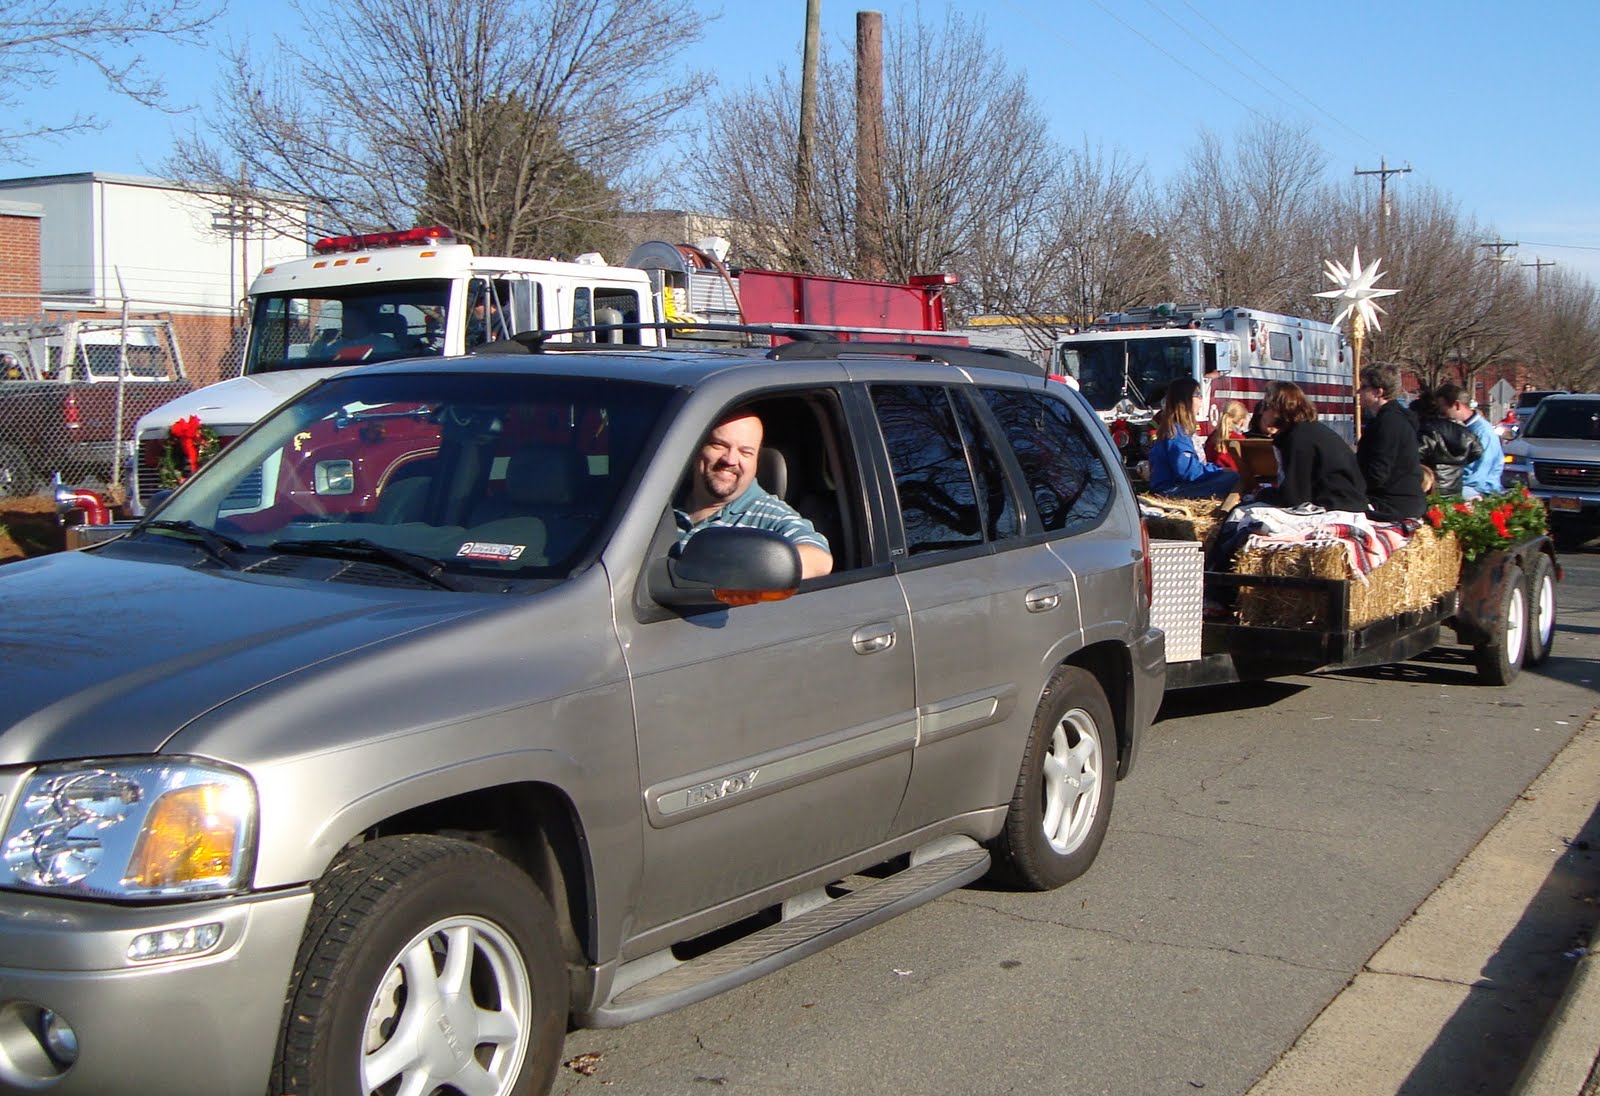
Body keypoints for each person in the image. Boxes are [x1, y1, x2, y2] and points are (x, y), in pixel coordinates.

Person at [675, 408, 833, 579]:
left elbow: (820, 559)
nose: (730, 460)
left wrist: (744, 564)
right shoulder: (660, 498)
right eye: (719, 445)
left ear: (756, 461)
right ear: (697, 447)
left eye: (745, 452)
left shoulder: (769, 516)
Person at [1258, 381, 1368, 512]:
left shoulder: (1299, 438)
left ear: (1279, 408)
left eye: (1265, 406)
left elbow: (1295, 497)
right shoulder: (1307, 431)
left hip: (1336, 506)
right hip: (1343, 501)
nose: (1261, 412)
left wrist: (1263, 494)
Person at [1147, 377, 1239, 499]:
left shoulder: (1177, 429)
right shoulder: (1176, 433)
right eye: (1198, 394)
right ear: (1186, 399)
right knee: (1234, 479)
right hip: (1171, 491)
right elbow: (1188, 472)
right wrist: (1219, 471)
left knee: (1231, 476)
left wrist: (1217, 470)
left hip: (1173, 487)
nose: (1202, 399)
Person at [1356, 364, 1426, 520]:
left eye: (1363, 387)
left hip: (1393, 503)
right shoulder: (1391, 419)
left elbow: (1378, 472)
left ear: (1378, 392)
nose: (1358, 392)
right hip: (1401, 499)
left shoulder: (1389, 423)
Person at [1435, 383, 1504, 498]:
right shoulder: (1469, 429)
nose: (1442, 415)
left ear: (1457, 405)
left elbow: (1477, 474)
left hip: (1481, 491)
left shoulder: (1482, 433)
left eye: (1444, 409)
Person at [1414, 385, 1482, 498]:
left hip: (1432, 488)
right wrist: (1459, 461)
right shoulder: (1464, 432)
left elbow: (1414, 454)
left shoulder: (1426, 430)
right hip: (1455, 489)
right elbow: (1477, 451)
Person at [1205, 400, 1250, 469]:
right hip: (1233, 478)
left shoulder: (1212, 437)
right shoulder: (1240, 440)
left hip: (1212, 477)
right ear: (1242, 421)